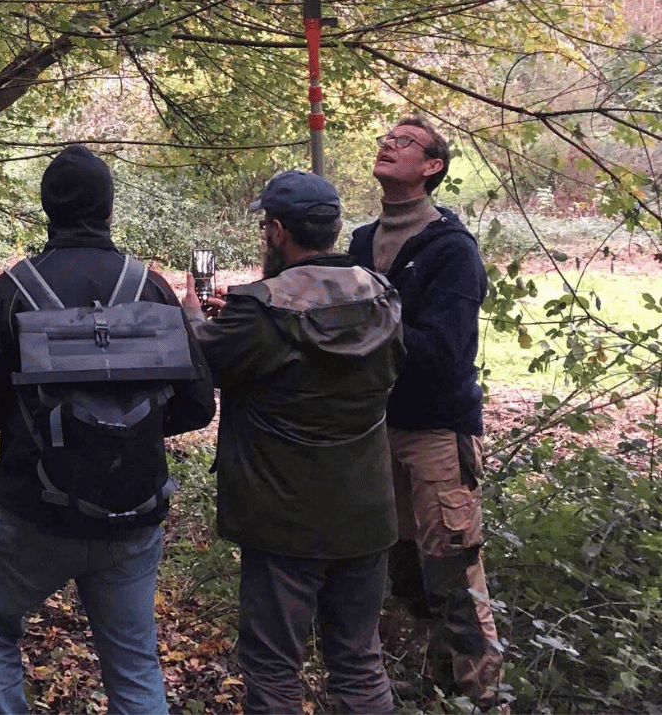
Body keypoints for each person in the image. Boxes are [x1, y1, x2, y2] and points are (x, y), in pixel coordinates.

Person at [0, 145, 215, 715]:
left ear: (46, 209)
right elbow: (196, 407)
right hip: (134, 512)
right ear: (110, 211)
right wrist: (125, 428)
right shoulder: (151, 287)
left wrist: (33, 421)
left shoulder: (16, 289)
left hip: (34, 509)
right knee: (134, 659)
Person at [182, 169, 402, 715]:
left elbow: (202, 363)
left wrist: (192, 313)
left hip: (284, 519)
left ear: (278, 231)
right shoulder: (382, 296)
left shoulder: (261, 309)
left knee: (275, 667)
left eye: (265, 227)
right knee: (359, 662)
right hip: (366, 512)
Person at [350, 115, 503, 704]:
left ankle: (484, 699)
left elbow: (442, 350)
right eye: (385, 136)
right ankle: (434, 686)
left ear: (431, 168)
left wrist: (368, 324)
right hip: (375, 427)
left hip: (437, 430)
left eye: (404, 142)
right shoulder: (363, 241)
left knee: (456, 578)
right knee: (404, 570)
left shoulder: (452, 251)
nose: (388, 143)